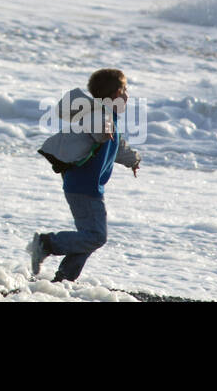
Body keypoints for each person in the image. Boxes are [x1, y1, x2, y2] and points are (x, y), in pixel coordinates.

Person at [28, 68, 140, 283]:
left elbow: (117, 147)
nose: (127, 95)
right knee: (96, 236)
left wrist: (133, 159)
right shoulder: (99, 115)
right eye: (125, 90)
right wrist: (104, 121)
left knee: (88, 236)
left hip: (85, 186)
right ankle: (46, 244)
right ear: (117, 93)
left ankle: (65, 277)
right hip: (84, 187)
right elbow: (96, 128)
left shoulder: (108, 118)